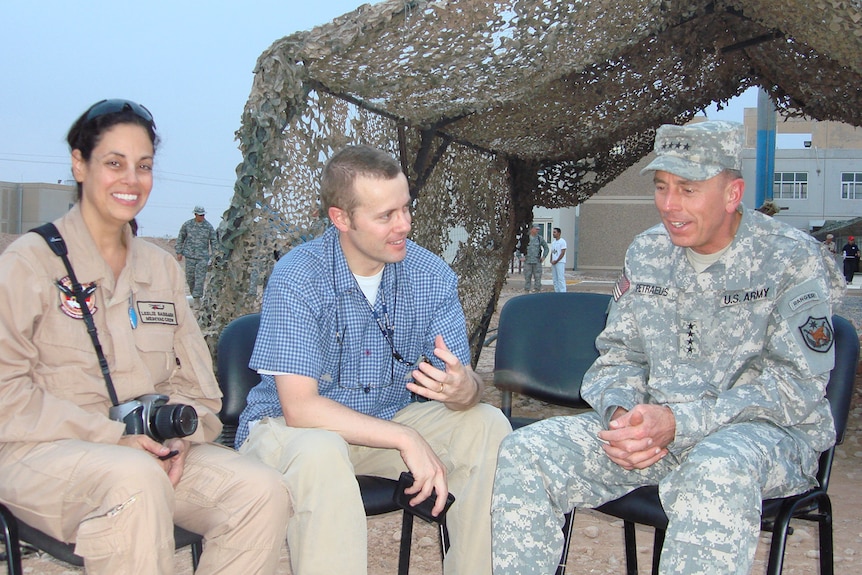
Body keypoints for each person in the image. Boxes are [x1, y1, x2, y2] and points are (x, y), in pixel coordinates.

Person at [491, 121, 844, 575]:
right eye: (661, 187)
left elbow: (795, 388)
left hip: (761, 438)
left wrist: (680, 423)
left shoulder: (789, 257)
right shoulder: (647, 253)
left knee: (715, 471)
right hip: (653, 433)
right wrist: (623, 417)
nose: (669, 205)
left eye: (688, 189)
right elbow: (618, 357)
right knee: (528, 451)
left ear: (732, 193)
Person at [0, 99, 290, 575]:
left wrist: (180, 438)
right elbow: (7, 397)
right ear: (79, 163)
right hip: (40, 453)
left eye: (144, 166)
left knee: (261, 491)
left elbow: (199, 390)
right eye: (114, 163)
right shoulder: (30, 263)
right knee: (135, 480)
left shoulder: (160, 269)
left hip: (150, 454)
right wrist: (112, 437)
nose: (131, 180)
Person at [236, 145, 511, 575]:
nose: (403, 225)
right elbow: (300, 408)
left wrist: (464, 390)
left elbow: (465, 386)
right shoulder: (299, 276)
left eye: (405, 208)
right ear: (341, 218)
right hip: (290, 433)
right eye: (386, 216)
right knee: (322, 450)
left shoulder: (430, 274)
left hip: (384, 422)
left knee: (487, 424)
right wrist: (406, 438)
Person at [175, 205, 217, 303]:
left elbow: (214, 241)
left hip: (203, 257)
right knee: (190, 278)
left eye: (203, 215)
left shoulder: (208, 227)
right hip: (190, 256)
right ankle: (194, 296)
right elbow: (181, 238)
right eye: (200, 215)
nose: (202, 217)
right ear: (195, 214)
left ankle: (197, 300)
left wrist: (214, 256)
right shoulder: (187, 225)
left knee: (200, 279)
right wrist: (179, 252)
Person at [521, 225, 548, 293]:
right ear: (531, 229)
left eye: (538, 229)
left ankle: (537, 290)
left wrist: (544, 257)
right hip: (527, 261)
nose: (537, 231)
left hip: (537, 262)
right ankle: (527, 291)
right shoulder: (526, 238)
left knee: (538, 277)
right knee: (527, 277)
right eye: (536, 229)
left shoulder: (539, 238)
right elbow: (519, 248)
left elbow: (546, 248)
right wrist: (520, 257)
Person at [549, 227, 567, 292]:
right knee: (555, 278)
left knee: (560, 278)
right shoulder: (553, 242)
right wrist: (551, 260)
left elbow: (563, 252)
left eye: (555, 232)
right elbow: (552, 252)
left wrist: (557, 260)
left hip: (560, 262)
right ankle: (557, 291)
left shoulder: (562, 241)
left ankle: (563, 292)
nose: (553, 234)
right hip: (554, 262)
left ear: (559, 233)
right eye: (553, 232)